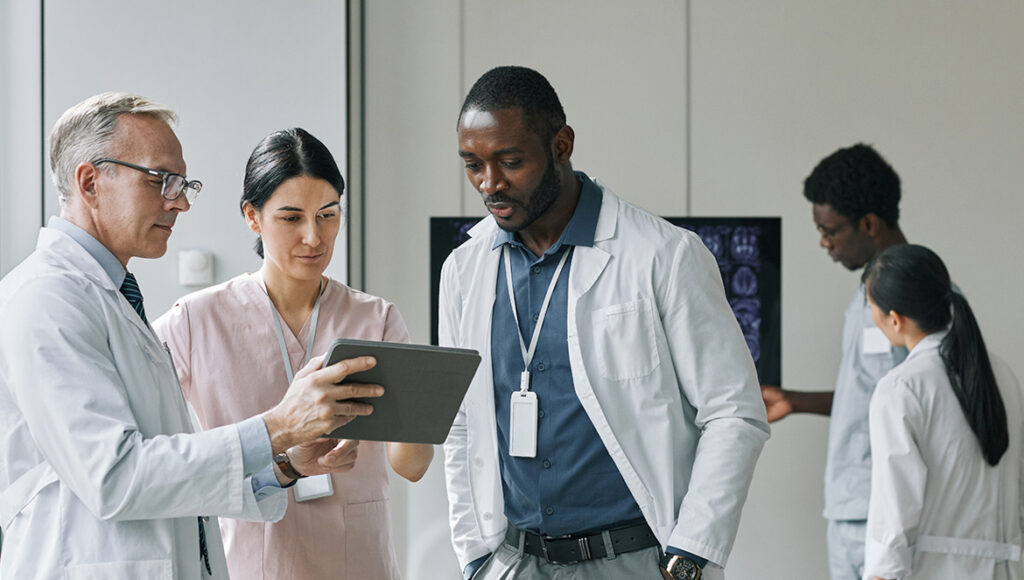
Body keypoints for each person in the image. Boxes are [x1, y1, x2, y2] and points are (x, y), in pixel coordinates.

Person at [0, 93, 383, 579]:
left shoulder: (113, 299)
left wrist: (284, 466)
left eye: (183, 184)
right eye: (161, 180)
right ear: (90, 181)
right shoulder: (48, 298)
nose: (179, 201)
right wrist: (277, 427)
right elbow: (116, 478)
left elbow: (172, 475)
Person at [439, 66, 769, 580]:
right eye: (472, 165)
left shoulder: (663, 255)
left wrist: (693, 552)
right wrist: (475, 557)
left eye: (510, 162)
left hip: (634, 561)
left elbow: (734, 413)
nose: (490, 184)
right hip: (513, 561)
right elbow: (460, 422)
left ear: (561, 145)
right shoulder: (464, 269)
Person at [152, 127, 434, 579]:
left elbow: (412, 468)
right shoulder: (195, 320)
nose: (313, 237)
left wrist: (424, 404)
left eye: (328, 214)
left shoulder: (375, 318)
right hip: (253, 559)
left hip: (357, 560)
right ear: (252, 216)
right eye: (290, 218)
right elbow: (155, 453)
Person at [759, 144, 909, 579]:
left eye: (829, 230)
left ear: (869, 223)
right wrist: (795, 400)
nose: (823, 242)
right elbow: (873, 394)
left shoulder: (909, 295)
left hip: (883, 510)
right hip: (855, 506)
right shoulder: (869, 292)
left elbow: (917, 403)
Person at [860, 244, 1023, 580]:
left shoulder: (901, 388)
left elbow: (894, 511)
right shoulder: (1001, 373)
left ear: (894, 318)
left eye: (871, 308)